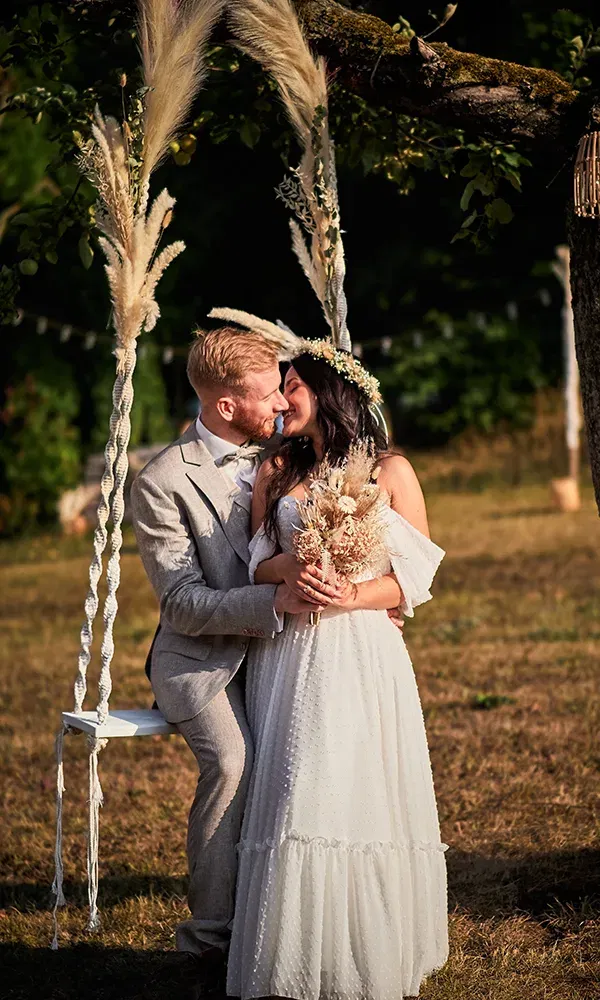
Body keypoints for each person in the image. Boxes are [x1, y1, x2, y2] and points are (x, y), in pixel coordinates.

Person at [227, 344, 449, 1000]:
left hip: (360, 653)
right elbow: (254, 563)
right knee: (301, 784)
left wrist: (349, 592)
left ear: (327, 391)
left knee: (356, 787)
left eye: (290, 386)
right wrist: (292, 572)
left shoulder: (390, 471)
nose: (279, 400)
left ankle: (367, 948)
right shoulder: (273, 469)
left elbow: (414, 579)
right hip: (292, 653)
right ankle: (290, 955)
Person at [130, 326, 339, 993]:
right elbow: (184, 604)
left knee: (303, 761)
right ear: (226, 406)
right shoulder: (160, 482)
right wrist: (275, 598)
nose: (283, 401)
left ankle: (282, 921)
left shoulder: (291, 453)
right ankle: (208, 941)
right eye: (268, 392)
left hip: (283, 650)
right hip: (199, 660)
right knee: (234, 761)